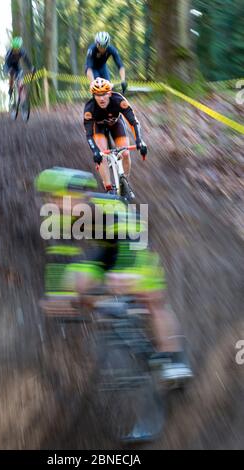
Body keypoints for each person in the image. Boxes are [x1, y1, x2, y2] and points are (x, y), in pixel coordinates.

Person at [35, 167, 193, 385]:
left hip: (132, 245)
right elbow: (60, 255)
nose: (57, 205)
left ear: (79, 195)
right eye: (51, 199)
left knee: (152, 297)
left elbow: (132, 238)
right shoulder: (57, 216)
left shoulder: (109, 205)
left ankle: (174, 359)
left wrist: (127, 275)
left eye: (61, 198)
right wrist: (58, 293)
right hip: (103, 252)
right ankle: (106, 307)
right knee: (73, 284)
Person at [84, 77, 147, 194]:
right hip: (99, 128)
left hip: (116, 124)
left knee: (125, 153)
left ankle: (124, 183)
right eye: (97, 95)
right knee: (101, 155)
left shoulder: (118, 100)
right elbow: (89, 134)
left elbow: (134, 122)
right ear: (93, 95)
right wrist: (95, 151)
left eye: (104, 94)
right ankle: (108, 188)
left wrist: (140, 140)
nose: (101, 98)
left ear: (109, 93)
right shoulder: (90, 108)